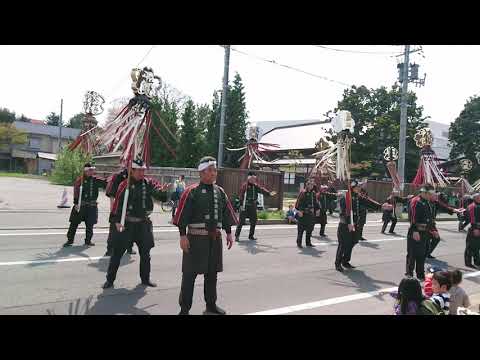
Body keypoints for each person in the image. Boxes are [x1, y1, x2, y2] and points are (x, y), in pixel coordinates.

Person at [173, 156, 238, 315]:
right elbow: (182, 215)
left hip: (214, 240)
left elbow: (225, 213)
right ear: (201, 172)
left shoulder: (220, 191)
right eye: (210, 170)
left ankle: (210, 306)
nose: (214, 173)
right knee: (189, 276)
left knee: (212, 275)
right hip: (195, 240)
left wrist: (228, 233)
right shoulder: (191, 191)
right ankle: (184, 309)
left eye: (215, 170)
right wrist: (182, 236)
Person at [103, 159, 168, 289]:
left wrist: (163, 191)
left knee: (145, 254)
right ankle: (110, 280)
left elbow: (161, 196)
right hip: (127, 223)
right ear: (132, 171)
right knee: (117, 253)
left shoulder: (148, 183)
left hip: (143, 224)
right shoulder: (124, 185)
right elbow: (117, 204)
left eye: (143, 170)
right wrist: (116, 221)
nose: (142, 172)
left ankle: (145, 279)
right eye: (139, 170)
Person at [334, 180, 380, 272]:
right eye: (357, 187)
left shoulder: (358, 197)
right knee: (343, 245)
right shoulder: (346, 198)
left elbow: (368, 202)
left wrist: (380, 206)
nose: (359, 188)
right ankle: (338, 263)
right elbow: (343, 213)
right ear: (353, 188)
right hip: (345, 225)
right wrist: (348, 223)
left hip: (354, 224)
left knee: (353, 242)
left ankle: (345, 261)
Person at [64, 163, 107, 247]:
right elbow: (76, 191)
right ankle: (70, 240)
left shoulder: (95, 179)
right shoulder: (80, 180)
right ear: (86, 171)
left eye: (92, 170)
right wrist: (76, 203)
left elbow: (106, 183)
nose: (92, 172)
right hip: (81, 205)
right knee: (74, 223)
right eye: (90, 170)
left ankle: (88, 240)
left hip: (92, 206)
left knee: (90, 225)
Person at [235, 171, 275, 242]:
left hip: (253, 205)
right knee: (241, 221)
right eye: (252, 179)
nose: (254, 180)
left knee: (254, 220)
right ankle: (237, 236)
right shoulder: (245, 185)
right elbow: (241, 196)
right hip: (245, 205)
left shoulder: (255, 186)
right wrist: (241, 205)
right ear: (249, 178)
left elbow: (262, 190)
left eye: (255, 179)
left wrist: (269, 193)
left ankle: (251, 236)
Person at [104, 167, 135, 256]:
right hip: (118, 207)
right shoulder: (118, 176)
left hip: (130, 209)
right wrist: (112, 207)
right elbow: (112, 194)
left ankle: (129, 247)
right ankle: (110, 249)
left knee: (130, 229)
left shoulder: (135, 177)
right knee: (114, 230)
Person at [426, 192, 461, 259]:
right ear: (430, 196)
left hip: (432, 224)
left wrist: (454, 210)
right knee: (426, 240)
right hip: (426, 224)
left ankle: (427, 253)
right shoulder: (425, 202)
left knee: (436, 239)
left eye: (436, 196)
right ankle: (424, 254)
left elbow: (445, 207)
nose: (436, 197)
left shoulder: (436, 203)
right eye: (435, 196)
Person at [295, 179, 319, 248]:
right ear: (307, 185)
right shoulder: (303, 192)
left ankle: (308, 242)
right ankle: (299, 243)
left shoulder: (313, 193)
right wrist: (300, 211)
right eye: (310, 184)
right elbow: (298, 203)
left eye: (312, 184)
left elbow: (316, 202)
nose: (311, 186)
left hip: (310, 214)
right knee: (301, 230)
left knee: (310, 229)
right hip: (303, 214)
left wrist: (317, 209)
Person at [465, 192, 480, 268]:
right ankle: (468, 262)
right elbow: (472, 218)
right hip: (474, 228)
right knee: (470, 247)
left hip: (478, 228)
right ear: (475, 198)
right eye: (478, 197)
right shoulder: (472, 206)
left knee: (477, 246)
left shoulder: (477, 205)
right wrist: (475, 228)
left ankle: (477, 262)